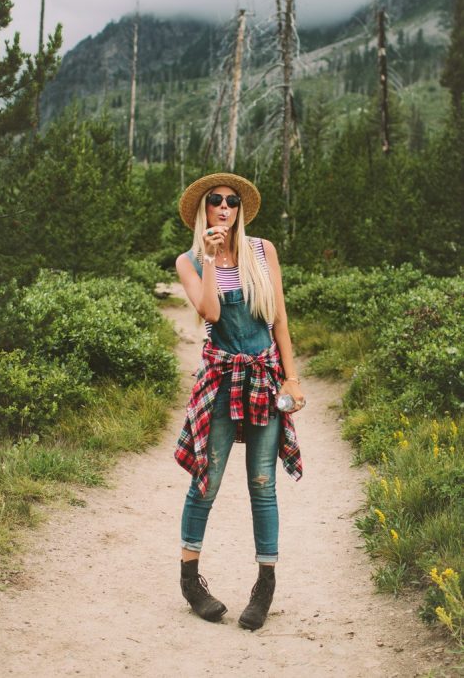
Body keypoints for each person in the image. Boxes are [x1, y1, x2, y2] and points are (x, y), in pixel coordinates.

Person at [175, 172, 305, 630]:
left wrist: (292, 379)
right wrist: (210, 260)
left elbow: (280, 320)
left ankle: (264, 586)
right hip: (221, 378)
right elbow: (209, 312)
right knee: (206, 480)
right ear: (203, 211)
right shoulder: (188, 261)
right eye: (216, 201)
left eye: (231, 201)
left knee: (263, 483)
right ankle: (191, 581)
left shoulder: (262, 251)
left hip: (265, 380)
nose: (225, 207)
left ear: (239, 210)